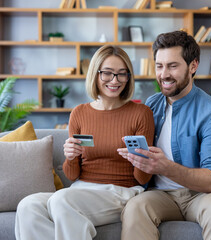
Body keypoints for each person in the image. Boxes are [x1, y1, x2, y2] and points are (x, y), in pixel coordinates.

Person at [117, 31, 211, 240]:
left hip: (203, 196)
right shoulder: (151, 105)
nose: (164, 74)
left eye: (173, 66)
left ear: (193, 66)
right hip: (160, 196)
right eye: (159, 66)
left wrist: (164, 167)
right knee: (135, 207)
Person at [14, 45, 155, 240]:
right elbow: (72, 175)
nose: (115, 81)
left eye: (122, 74)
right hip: (81, 190)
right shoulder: (79, 113)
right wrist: (71, 157)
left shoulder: (141, 113)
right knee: (28, 206)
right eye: (107, 73)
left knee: (62, 200)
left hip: (122, 193)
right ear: (95, 74)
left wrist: (137, 158)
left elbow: (143, 179)